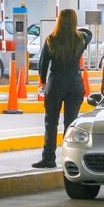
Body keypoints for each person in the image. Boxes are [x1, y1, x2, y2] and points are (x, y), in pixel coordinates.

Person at [34, 9, 90, 168]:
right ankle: (69, 160)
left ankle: (48, 158)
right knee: (70, 124)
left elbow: (43, 63)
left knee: (51, 122)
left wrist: (43, 81)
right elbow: (88, 33)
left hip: (56, 84)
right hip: (74, 84)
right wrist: (75, 29)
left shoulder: (51, 39)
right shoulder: (81, 39)